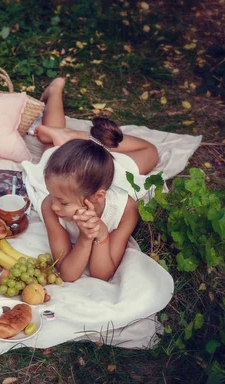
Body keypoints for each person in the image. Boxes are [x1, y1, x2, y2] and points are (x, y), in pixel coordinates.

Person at [34, 78, 159, 282]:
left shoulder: (126, 210)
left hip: (106, 169)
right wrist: (85, 239)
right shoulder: (51, 202)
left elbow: (102, 275)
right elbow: (66, 273)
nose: (54, 206)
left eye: (63, 202)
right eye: (53, 197)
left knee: (151, 152)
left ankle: (85, 139)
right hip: (68, 166)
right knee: (49, 149)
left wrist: (102, 236)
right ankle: (56, 91)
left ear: (97, 197)